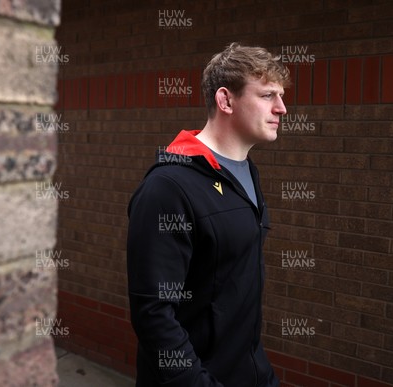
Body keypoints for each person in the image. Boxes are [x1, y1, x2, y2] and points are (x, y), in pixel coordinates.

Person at [127, 42, 290, 386]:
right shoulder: (168, 187)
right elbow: (154, 315)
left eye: (281, 95)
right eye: (267, 96)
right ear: (225, 100)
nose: (282, 108)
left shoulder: (246, 173)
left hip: (250, 371)